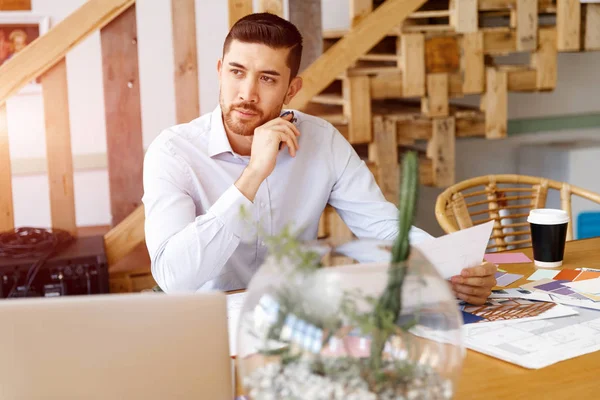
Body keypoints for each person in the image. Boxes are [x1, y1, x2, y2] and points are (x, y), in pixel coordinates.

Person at [142, 13, 496, 305]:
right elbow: (175, 278)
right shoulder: (173, 152)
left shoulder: (321, 140)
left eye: (267, 78)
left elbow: (383, 228)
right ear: (220, 71)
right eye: (237, 72)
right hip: (210, 325)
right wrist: (253, 175)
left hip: (301, 320)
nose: (247, 94)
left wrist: (452, 268)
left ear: (291, 89)